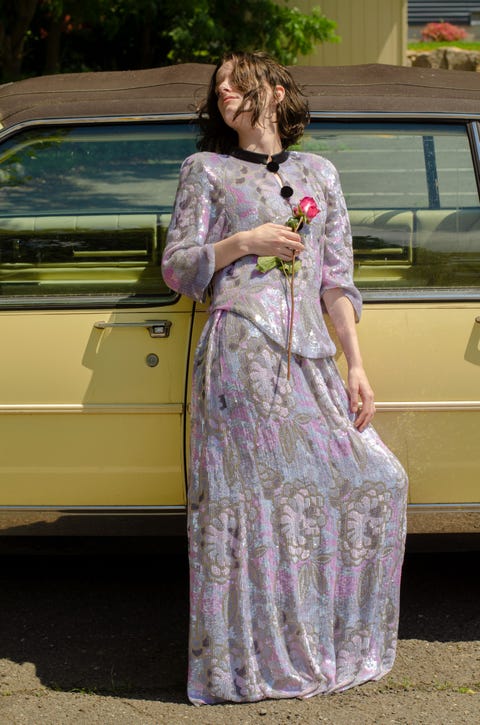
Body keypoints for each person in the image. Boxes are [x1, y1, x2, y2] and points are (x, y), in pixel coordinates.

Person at [162, 51, 408, 706]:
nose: (223, 91)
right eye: (217, 87)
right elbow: (179, 268)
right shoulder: (205, 171)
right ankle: (245, 664)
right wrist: (244, 241)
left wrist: (355, 362)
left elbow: (337, 281)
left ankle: (321, 644)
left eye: (236, 81)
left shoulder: (319, 173)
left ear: (273, 90)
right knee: (251, 505)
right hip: (240, 350)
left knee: (376, 479)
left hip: (311, 358)